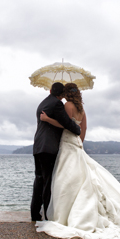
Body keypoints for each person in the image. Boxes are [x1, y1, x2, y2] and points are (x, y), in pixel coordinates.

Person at [35, 83, 120, 239]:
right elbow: (83, 129)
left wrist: (47, 119)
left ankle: (64, 214)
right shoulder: (81, 110)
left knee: (66, 178)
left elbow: (65, 124)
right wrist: (79, 143)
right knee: (80, 174)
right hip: (76, 144)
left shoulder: (68, 106)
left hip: (67, 142)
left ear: (67, 94)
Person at [32, 82, 81, 221]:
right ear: (62, 95)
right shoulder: (57, 104)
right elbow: (67, 123)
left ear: (50, 90)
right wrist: (77, 129)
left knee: (39, 180)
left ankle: (35, 214)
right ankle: (48, 215)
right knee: (48, 182)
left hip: (38, 146)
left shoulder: (43, 103)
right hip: (49, 148)